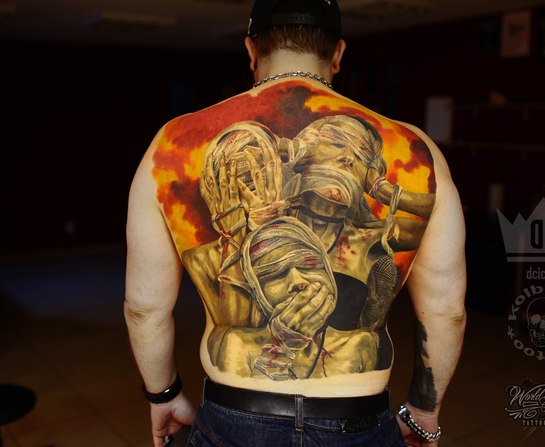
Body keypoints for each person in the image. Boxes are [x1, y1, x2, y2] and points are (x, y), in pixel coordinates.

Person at [124, 0, 467, 446]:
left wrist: (164, 395)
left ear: (251, 50)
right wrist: (423, 410)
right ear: (338, 53)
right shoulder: (417, 149)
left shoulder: (172, 143)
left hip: (234, 414)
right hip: (357, 417)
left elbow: (144, 308)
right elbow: (446, 310)